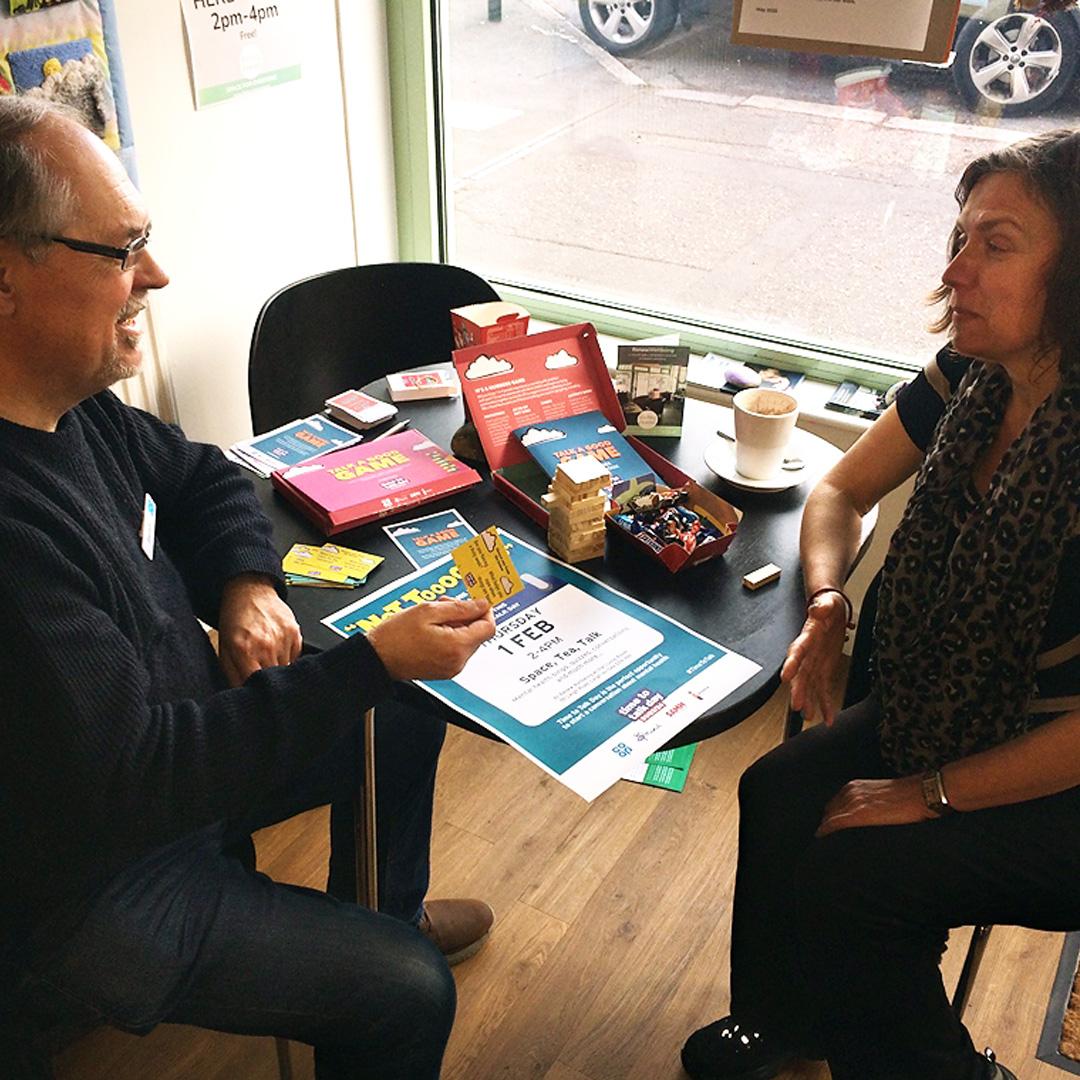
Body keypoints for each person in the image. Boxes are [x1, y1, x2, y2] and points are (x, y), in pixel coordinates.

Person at [0, 96, 498, 1080]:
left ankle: (382, 914)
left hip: (178, 764)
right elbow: (140, 776)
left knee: (402, 714)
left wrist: (242, 585)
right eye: (122, 249)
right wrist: (361, 663)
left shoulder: (74, 410)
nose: (157, 275)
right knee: (407, 992)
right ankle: (381, 951)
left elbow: (207, 478)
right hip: (98, 884)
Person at [681, 128, 1079, 1080]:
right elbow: (836, 495)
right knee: (778, 790)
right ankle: (783, 1025)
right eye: (959, 237)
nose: (956, 271)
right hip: (950, 711)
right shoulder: (970, 376)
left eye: (997, 245)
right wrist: (825, 605)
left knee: (858, 881)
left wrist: (924, 795)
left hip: (1057, 774)